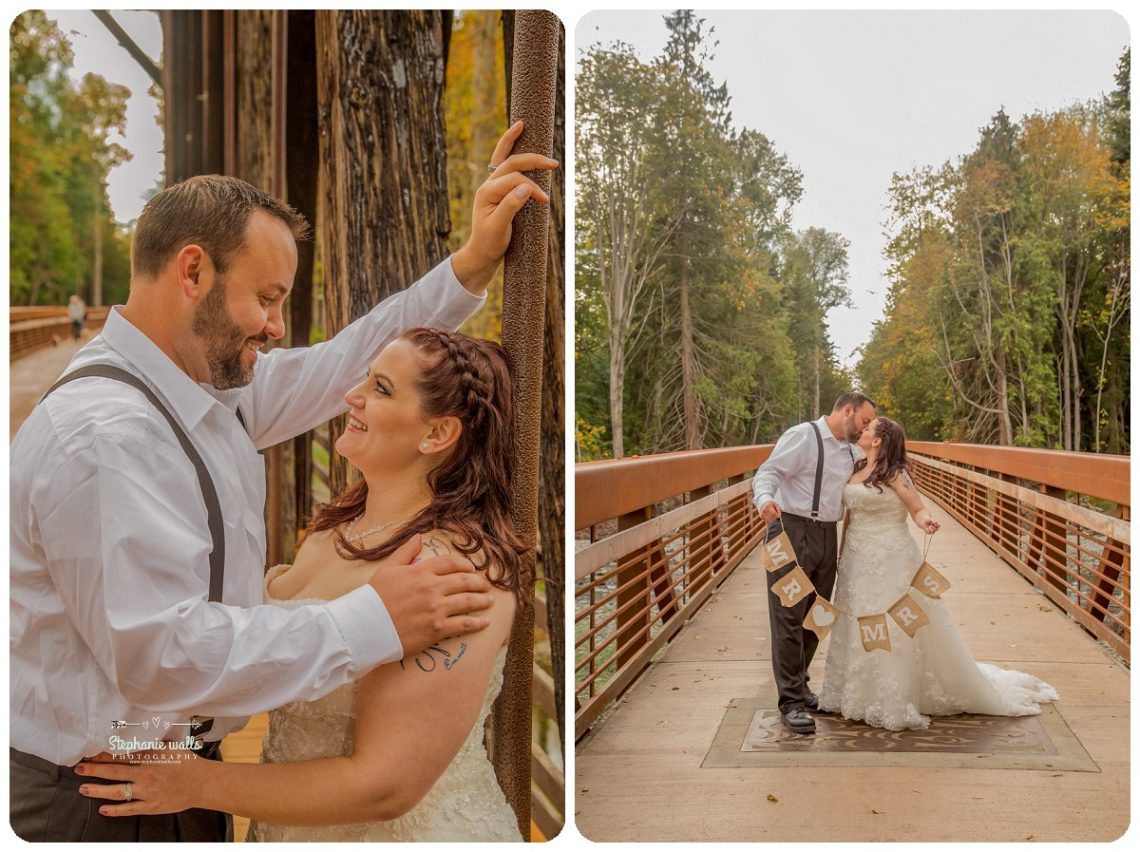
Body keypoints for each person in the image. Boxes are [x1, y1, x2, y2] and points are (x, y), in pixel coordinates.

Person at [9, 122, 555, 842]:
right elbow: (160, 658)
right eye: (266, 298)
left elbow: (345, 365)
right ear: (193, 272)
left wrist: (472, 265)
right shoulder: (110, 439)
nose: (274, 325)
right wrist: (374, 618)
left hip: (167, 776)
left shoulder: (203, 390)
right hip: (99, 800)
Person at [74, 328, 527, 841]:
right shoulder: (337, 527)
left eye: (380, 389)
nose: (351, 395)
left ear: (437, 434)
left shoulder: (445, 569)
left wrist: (196, 782)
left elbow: (386, 786)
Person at [816, 417, 1058, 730]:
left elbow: (917, 508)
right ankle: (854, 693)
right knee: (856, 620)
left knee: (891, 622)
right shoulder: (855, 467)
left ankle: (891, 698)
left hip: (891, 557)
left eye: (868, 428)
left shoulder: (894, 473)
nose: (862, 430)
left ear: (878, 440)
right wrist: (841, 553)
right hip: (855, 558)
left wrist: (926, 521)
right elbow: (849, 515)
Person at [752, 392, 876, 734]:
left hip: (826, 535)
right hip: (791, 531)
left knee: (817, 615)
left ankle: (801, 684)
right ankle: (790, 701)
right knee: (788, 616)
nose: (865, 429)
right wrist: (763, 500)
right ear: (847, 410)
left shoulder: (852, 451)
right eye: (864, 421)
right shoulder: (803, 436)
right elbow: (768, 473)